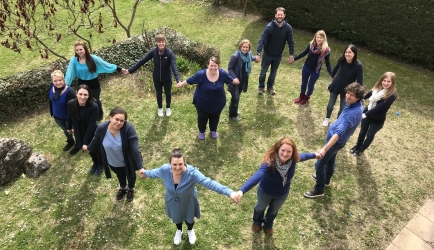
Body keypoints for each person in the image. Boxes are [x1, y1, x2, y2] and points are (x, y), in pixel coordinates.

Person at [142, 148, 239, 245]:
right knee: (177, 218)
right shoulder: (164, 169)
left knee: (189, 219)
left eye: (180, 164)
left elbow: (209, 183)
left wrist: (229, 193)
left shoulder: (192, 173)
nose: (177, 167)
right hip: (171, 200)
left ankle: (190, 230)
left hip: (189, 201)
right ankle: (179, 231)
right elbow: (154, 173)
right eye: (174, 164)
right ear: (169, 164)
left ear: (185, 163)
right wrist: (145, 173)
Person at [233, 137, 319, 236]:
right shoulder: (269, 163)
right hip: (265, 192)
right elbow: (257, 176)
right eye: (283, 150)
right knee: (260, 208)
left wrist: (315, 155)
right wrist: (241, 191)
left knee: (273, 211)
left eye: (289, 151)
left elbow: (304, 156)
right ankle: (257, 221)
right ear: (277, 149)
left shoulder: (293, 160)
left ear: (292, 152)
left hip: (282, 193)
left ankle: (268, 225)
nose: (285, 154)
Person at [304, 82, 364, 198]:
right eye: (347, 93)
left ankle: (319, 189)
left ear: (358, 98)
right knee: (331, 159)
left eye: (351, 95)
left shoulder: (352, 113)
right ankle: (326, 179)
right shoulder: (355, 104)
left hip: (335, 141)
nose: (347, 96)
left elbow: (339, 133)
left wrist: (325, 148)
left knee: (319, 165)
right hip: (336, 142)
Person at [86, 107, 145, 202]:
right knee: (119, 174)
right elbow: (96, 139)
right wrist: (89, 148)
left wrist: (140, 167)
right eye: (116, 119)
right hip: (112, 161)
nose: (119, 123)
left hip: (128, 161)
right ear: (110, 118)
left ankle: (130, 189)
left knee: (131, 176)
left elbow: (135, 149)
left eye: (122, 121)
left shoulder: (128, 128)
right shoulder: (101, 128)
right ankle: (122, 187)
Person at [177, 57, 239, 140]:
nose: (213, 68)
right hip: (202, 103)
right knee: (202, 117)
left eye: (215, 66)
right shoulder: (201, 74)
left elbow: (230, 79)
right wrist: (181, 84)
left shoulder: (222, 74)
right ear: (207, 65)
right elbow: (190, 80)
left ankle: (213, 130)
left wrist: (234, 81)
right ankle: (201, 131)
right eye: (211, 66)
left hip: (218, 103)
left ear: (218, 66)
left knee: (215, 117)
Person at [123, 34, 182, 117]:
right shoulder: (153, 52)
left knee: (168, 93)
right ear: (156, 43)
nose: (161, 44)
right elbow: (142, 61)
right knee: (159, 93)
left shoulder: (169, 53)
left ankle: (168, 108)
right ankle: (160, 108)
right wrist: (130, 70)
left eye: (162, 42)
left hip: (167, 78)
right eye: (159, 42)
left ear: (165, 42)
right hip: (157, 78)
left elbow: (174, 66)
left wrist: (178, 80)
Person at [64, 40, 124, 121]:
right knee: (84, 100)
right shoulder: (74, 60)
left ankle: (99, 112)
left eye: (81, 49)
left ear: (85, 49)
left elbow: (106, 65)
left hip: (93, 83)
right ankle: (88, 113)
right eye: (77, 50)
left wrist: (120, 69)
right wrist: (64, 86)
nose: (79, 52)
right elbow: (69, 73)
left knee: (95, 100)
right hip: (82, 84)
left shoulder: (93, 58)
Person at [350, 72, 397, 156]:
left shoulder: (392, 95)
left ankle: (362, 148)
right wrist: (362, 99)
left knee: (369, 135)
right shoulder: (377, 88)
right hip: (367, 113)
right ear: (381, 80)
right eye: (384, 80)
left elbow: (378, 108)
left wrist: (365, 114)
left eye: (388, 81)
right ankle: (358, 145)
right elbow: (370, 93)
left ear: (392, 82)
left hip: (377, 120)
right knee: (362, 132)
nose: (385, 83)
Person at [256, 7, 295, 95]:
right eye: (278, 14)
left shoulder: (288, 28)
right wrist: (259, 53)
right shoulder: (269, 27)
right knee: (263, 72)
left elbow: (291, 42)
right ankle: (261, 87)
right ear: (275, 15)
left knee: (273, 73)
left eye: (281, 15)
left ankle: (270, 86)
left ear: (284, 16)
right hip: (267, 54)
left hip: (278, 55)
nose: (279, 16)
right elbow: (262, 39)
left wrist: (291, 55)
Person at [323, 44, 363, 126]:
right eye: (346, 52)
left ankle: (338, 121)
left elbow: (360, 82)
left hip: (347, 91)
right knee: (330, 105)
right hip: (336, 86)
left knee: (342, 109)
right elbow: (335, 68)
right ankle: (327, 118)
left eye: (350, 52)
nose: (347, 54)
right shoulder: (341, 60)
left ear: (354, 54)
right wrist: (332, 75)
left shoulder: (358, 65)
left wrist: (361, 97)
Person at [67, 85, 103, 175]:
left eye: (85, 95)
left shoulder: (93, 107)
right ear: (76, 93)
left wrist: (85, 143)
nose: (83, 97)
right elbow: (70, 116)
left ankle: (101, 164)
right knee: (89, 151)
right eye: (80, 94)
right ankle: (95, 163)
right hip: (79, 132)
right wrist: (69, 127)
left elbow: (91, 126)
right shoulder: (71, 103)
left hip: (91, 132)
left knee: (96, 149)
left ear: (89, 95)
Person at [293, 30, 332, 105]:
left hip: (315, 71)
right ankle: (301, 97)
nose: (319, 39)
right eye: (318, 37)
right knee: (303, 83)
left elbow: (328, 63)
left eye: (321, 37)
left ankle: (306, 98)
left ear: (324, 39)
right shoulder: (311, 45)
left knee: (310, 85)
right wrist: (294, 59)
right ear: (315, 37)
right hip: (306, 67)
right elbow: (304, 53)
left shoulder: (326, 50)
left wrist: (331, 73)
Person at [227, 39, 259, 121]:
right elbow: (230, 68)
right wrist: (234, 77)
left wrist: (255, 58)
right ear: (240, 47)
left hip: (243, 80)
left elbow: (250, 58)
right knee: (235, 97)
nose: (245, 49)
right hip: (235, 81)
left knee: (236, 96)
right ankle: (233, 115)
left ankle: (233, 109)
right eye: (243, 47)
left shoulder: (248, 55)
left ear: (249, 48)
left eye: (247, 47)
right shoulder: (235, 56)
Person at [48, 70, 76, 152]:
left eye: (60, 80)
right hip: (57, 117)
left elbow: (73, 109)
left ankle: (78, 144)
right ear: (52, 81)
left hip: (69, 118)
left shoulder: (70, 92)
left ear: (63, 80)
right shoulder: (51, 87)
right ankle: (70, 141)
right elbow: (51, 100)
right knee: (65, 130)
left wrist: (71, 124)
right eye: (55, 81)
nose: (58, 83)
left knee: (75, 131)